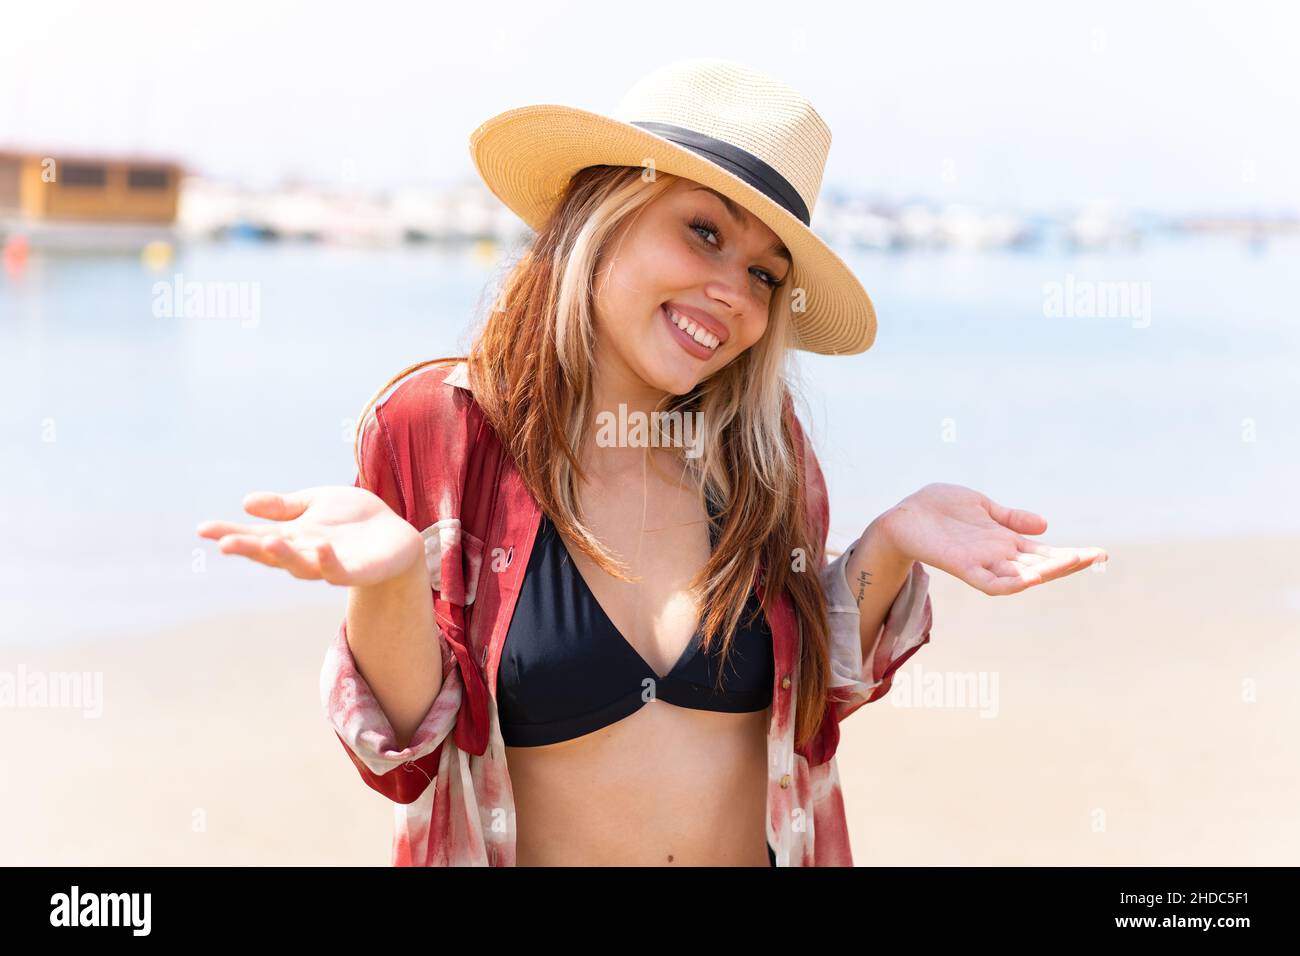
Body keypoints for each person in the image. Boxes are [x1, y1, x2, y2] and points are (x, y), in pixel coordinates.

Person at [196, 59, 1107, 866]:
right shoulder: (445, 427)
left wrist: (892, 544)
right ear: (604, 210)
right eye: (705, 231)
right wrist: (389, 583)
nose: (732, 292)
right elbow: (408, 753)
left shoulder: (761, 452)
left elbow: (803, 711)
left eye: (765, 273)